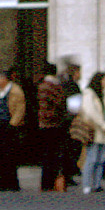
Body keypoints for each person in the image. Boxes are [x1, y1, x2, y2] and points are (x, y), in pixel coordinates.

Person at [0, 69, 25, 191]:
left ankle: (11, 182)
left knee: (10, 155)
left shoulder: (16, 91)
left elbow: (20, 109)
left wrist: (13, 124)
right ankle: (0, 182)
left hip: (9, 125)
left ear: (4, 79)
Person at [80, 71, 105, 193]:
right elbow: (91, 112)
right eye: (104, 80)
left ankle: (97, 184)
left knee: (101, 159)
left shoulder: (102, 95)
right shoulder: (89, 94)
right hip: (94, 131)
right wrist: (103, 124)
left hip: (103, 131)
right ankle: (87, 184)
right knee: (91, 158)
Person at [37, 63, 67, 191]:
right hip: (54, 123)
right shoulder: (54, 86)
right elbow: (60, 102)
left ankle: (45, 183)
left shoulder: (41, 86)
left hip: (42, 122)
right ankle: (52, 182)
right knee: (53, 154)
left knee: (45, 154)